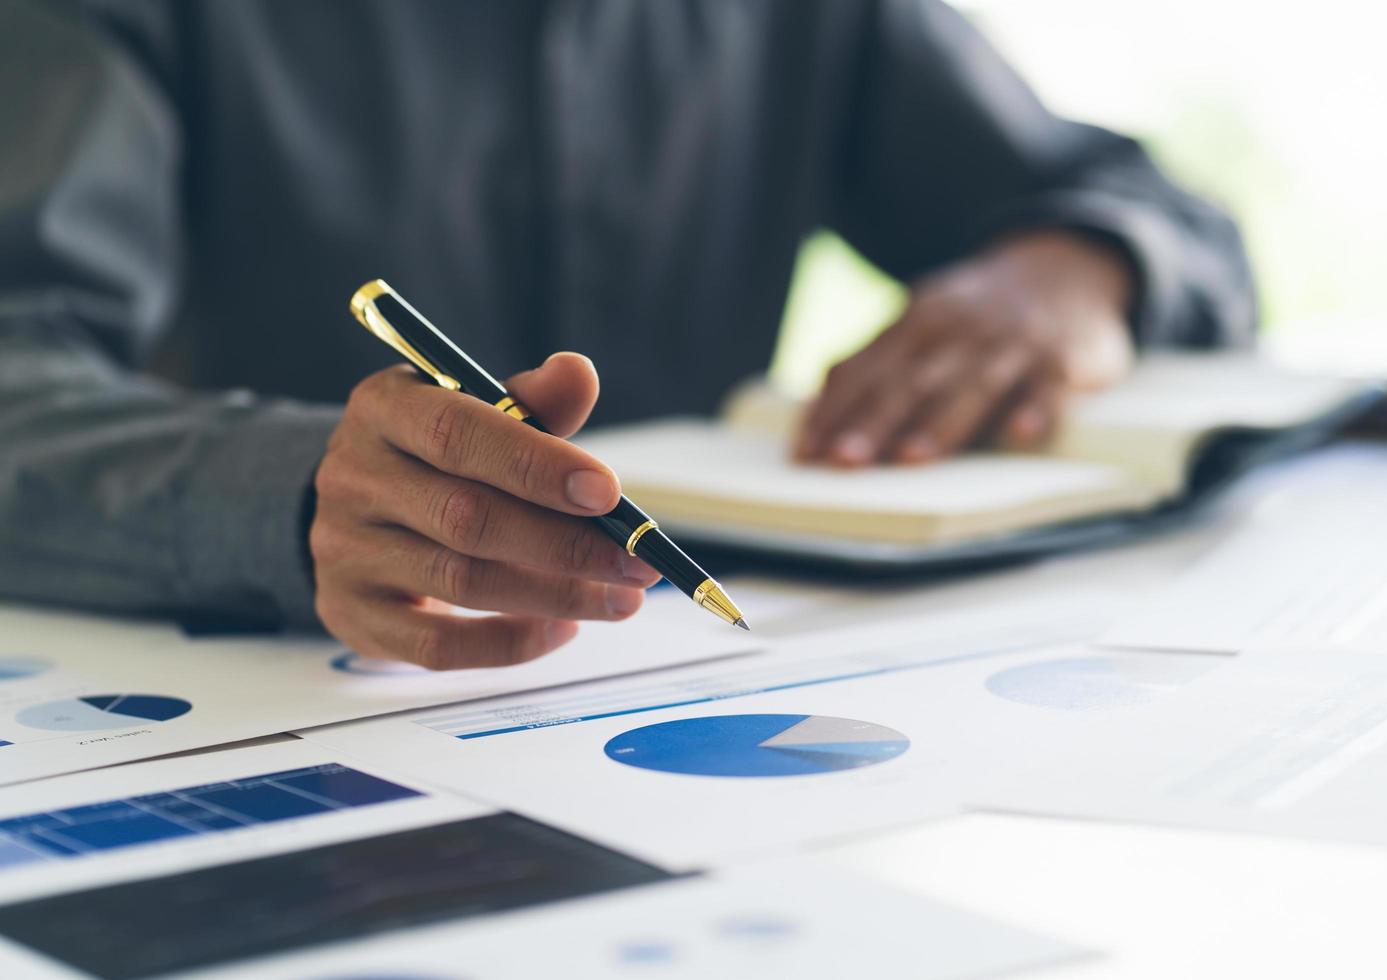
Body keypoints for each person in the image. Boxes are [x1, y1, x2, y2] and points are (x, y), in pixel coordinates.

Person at [0, 0, 1254, 668]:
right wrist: (289, 493)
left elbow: (1169, 216)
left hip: (694, 684)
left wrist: (1075, 266)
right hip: (278, 700)